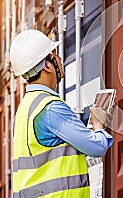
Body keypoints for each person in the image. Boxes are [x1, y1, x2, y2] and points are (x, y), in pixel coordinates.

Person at [10, 29, 113, 197]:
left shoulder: (24, 110)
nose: (59, 59)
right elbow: (97, 147)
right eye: (55, 54)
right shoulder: (51, 108)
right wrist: (97, 123)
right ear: (48, 66)